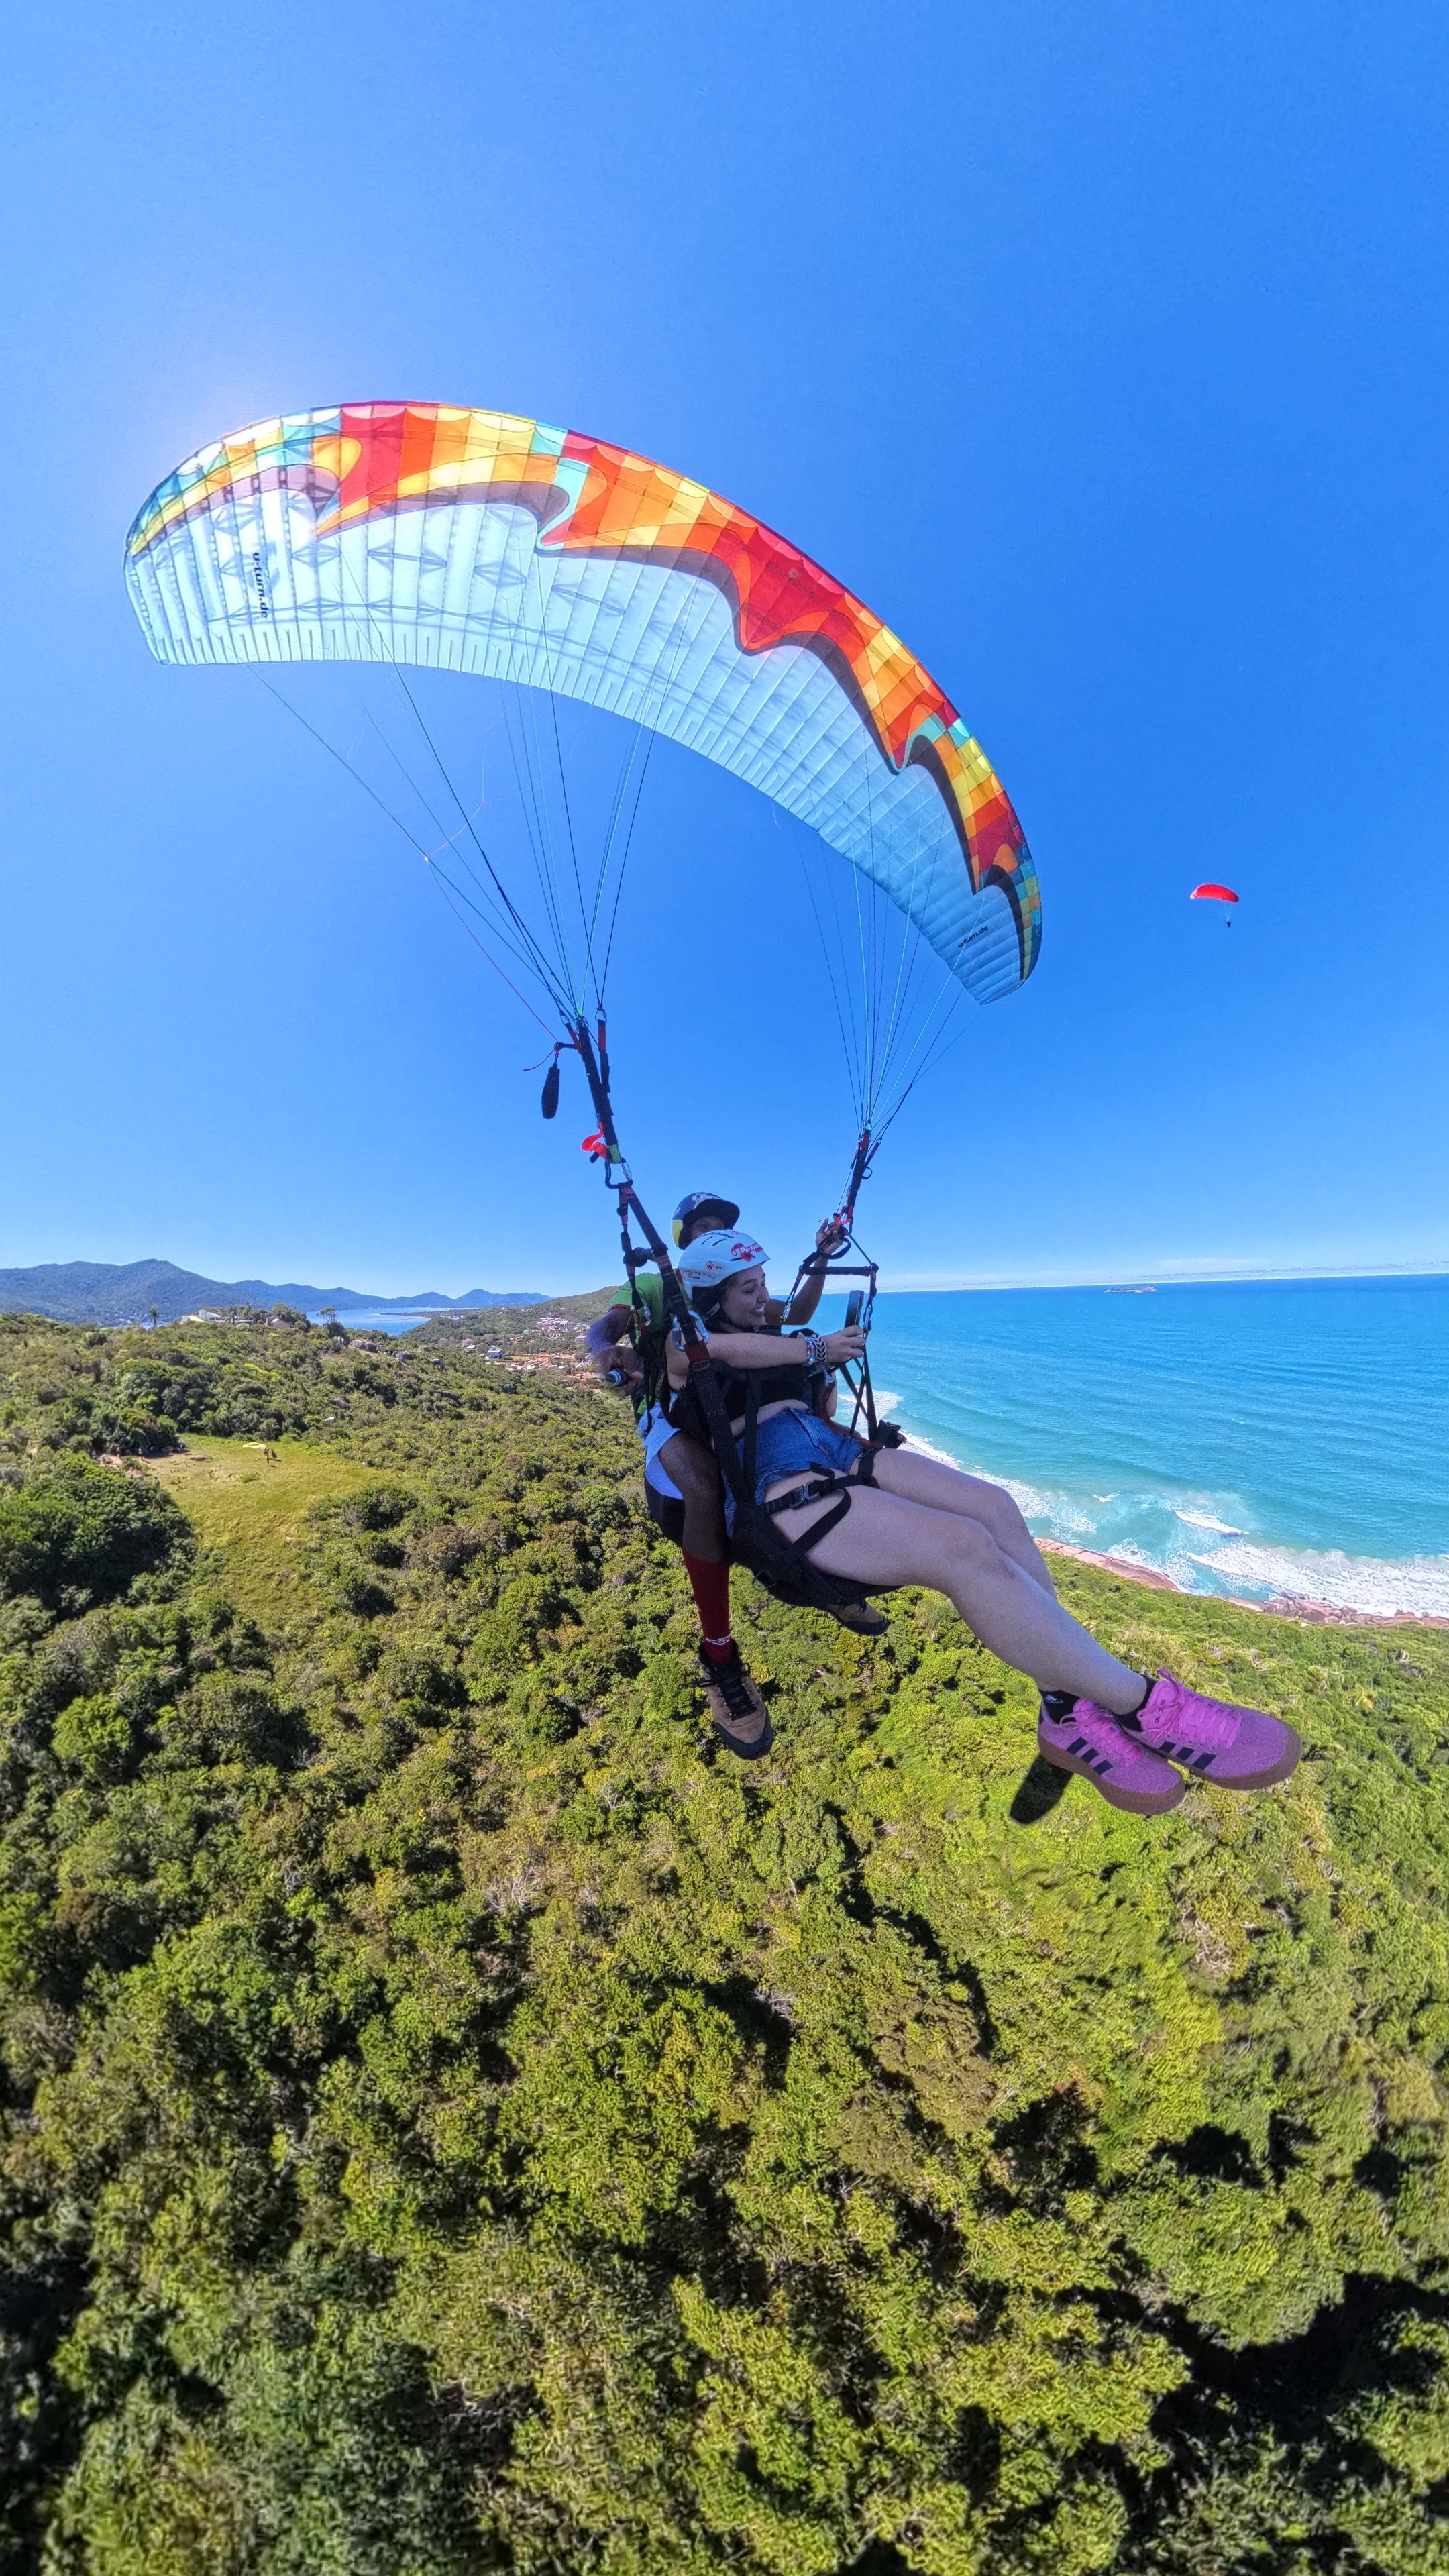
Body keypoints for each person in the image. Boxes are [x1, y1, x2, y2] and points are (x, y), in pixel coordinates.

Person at [665, 1232, 1303, 1799]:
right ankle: (1143, 1706)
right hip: (776, 1478)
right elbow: (724, 1352)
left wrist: (826, 1342)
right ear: (712, 1294)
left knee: (996, 1508)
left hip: (827, 1443)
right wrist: (814, 1347)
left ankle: (1063, 1704)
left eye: (764, 1285)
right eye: (749, 1289)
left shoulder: (769, 1332)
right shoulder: (682, 1338)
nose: (763, 1298)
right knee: (963, 1547)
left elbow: (777, 1338)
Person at [585, 1191, 867, 1748]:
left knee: (823, 1445)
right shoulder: (655, 1286)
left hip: (739, 1399)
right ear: (683, 1239)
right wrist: (604, 1353)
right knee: (705, 1484)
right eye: (701, 1226)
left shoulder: (737, 1286)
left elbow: (797, 1314)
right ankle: (720, 1652)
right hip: (672, 1407)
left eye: (720, 1225)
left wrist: (820, 1261)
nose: (712, 1232)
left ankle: (824, 1568)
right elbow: (607, 1326)